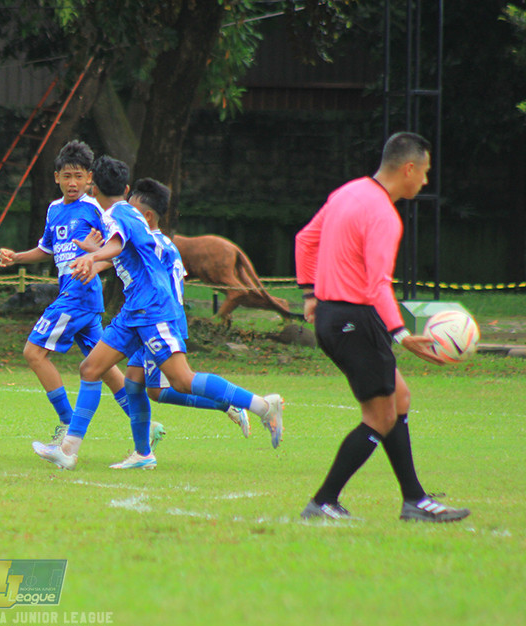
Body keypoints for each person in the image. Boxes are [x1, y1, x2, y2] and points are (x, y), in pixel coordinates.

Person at [32, 156, 284, 471]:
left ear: (92, 184)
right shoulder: (121, 214)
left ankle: (262, 405)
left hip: (151, 309)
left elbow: (114, 246)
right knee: (93, 369)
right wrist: (92, 259)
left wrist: (92, 255)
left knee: (180, 380)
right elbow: (118, 251)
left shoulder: (119, 214)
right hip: (133, 310)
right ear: (123, 188)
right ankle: (78, 451)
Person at [295, 131, 470, 522]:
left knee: (399, 400)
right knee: (379, 417)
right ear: (408, 169)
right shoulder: (384, 216)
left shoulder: (347, 192)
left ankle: (414, 500)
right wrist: (401, 333)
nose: (425, 181)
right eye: (424, 173)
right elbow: (378, 283)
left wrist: (310, 294)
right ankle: (323, 502)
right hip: (355, 321)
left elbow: (305, 239)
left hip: (332, 317)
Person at [0, 140, 156, 448]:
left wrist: (94, 262)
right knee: (104, 367)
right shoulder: (55, 210)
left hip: (79, 295)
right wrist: (17, 257)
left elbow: (116, 249)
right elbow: (47, 249)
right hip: (82, 298)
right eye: (67, 176)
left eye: (80, 176)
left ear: (90, 181)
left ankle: (67, 424)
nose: (73, 183)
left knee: (33, 353)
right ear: (56, 177)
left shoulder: (98, 209)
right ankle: (146, 426)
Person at [104, 178, 251, 470]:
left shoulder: (151, 244)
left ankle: (232, 402)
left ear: (145, 216)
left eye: (132, 212)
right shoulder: (164, 243)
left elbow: (158, 286)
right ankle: (143, 452)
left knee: (173, 383)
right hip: (151, 319)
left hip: (156, 320)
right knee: (148, 388)